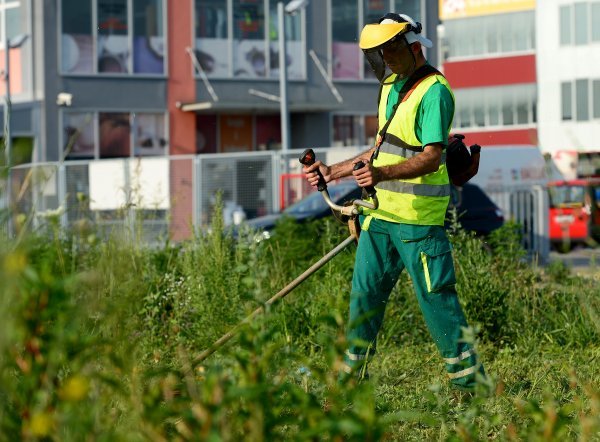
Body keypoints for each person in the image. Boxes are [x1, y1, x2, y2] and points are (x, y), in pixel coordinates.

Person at [302, 13, 485, 391]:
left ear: (413, 46)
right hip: (380, 216)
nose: (385, 57)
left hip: (419, 223)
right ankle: (350, 383)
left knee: (438, 303)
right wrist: (333, 172)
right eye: (379, 52)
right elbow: (383, 148)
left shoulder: (434, 91)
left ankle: (473, 389)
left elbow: (432, 156)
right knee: (364, 299)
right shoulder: (390, 86)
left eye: (390, 49)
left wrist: (382, 175)